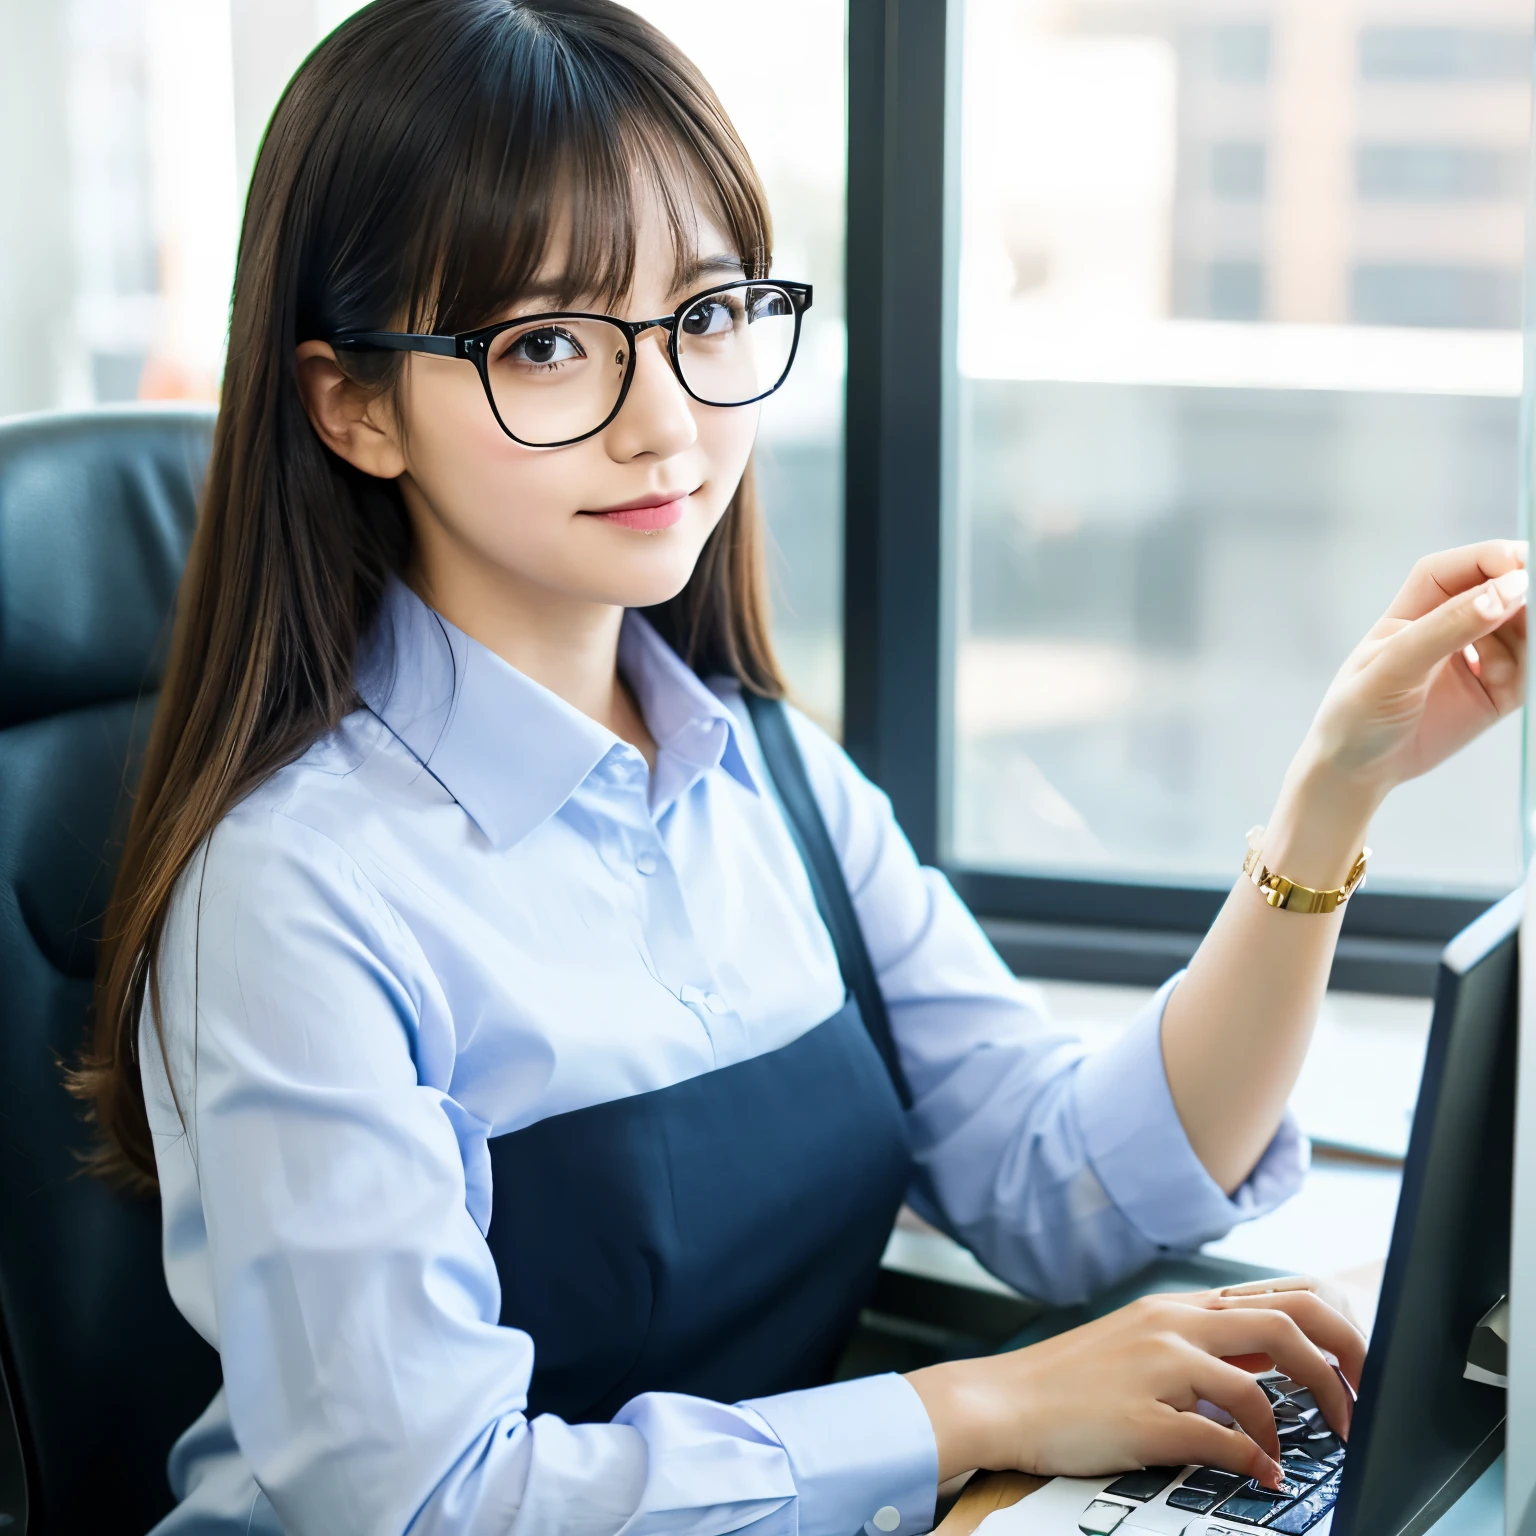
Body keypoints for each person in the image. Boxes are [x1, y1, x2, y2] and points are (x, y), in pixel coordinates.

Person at [73, 2, 1528, 1532]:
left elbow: (1076, 1185)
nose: (668, 424)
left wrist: (1332, 792)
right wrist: (975, 1407)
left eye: (706, 319)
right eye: (550, 345)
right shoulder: (296, 888)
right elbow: (431, 1501)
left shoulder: (765, 774)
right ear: (354, 405)